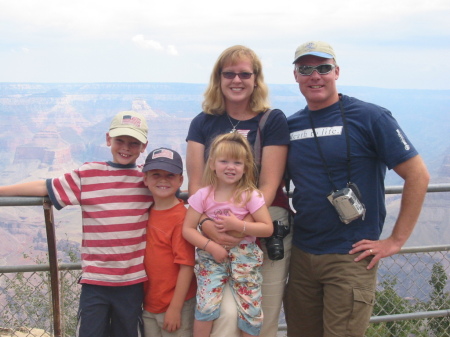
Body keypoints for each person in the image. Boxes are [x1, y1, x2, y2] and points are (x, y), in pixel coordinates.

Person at [285, 41, 430, 337]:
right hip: (301, 256)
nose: (315, 75)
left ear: (336, 72)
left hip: (350, 257)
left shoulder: (370, 117)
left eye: (323, 68)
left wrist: (396, 240)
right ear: (296, 75)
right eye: (306, 68)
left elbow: (418, 175)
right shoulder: (290, 126)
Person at [0, 111, 153, 337]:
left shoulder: (148, 180)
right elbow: (45, 186)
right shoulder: (89, 174)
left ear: (144, 146)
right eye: (120, 140)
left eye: (134, 143)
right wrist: (2, 191)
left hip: (132, 282)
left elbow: (174, 198)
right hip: (95, 282)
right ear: (108, 139)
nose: (126, 147)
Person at [186, 45, 292, 337]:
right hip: (213, 224)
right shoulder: (203, 122)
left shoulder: (272, 120)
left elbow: (269, 184)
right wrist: (208, 226)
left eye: (245, 74)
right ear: (218, 79)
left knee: (260, 312)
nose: (237, 80)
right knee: (218, 310)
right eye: (229, 73)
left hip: (263, 222)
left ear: (256, 79)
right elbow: (195, 184)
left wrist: (244, 225)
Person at [182, 132, 274, 337]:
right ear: (213, 164)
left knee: (250, 308)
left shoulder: (250, 195)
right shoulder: (203, 195)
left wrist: (239, 225)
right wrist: (211, 246)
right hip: (212, 257)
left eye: (237, 162)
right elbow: (187, 229)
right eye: (224, 161)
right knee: (206, 305)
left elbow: (267, 227)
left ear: (245, 167)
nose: (230, 167)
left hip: (245, 258)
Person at [141, 147, 197, 337]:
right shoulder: (145, 211)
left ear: (181, 180)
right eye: (156, 174)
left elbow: (187, 265)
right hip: (150, 304)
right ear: (145, 179)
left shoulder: (182, 218)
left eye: (170, 175)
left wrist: (175, 308)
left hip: (177, 305)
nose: (163, 180)